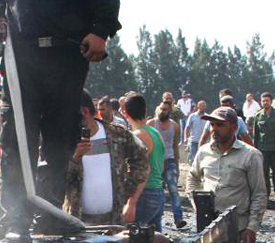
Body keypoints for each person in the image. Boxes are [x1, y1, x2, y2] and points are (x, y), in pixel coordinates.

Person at [0, 0, 121, 234]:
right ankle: (17, 218)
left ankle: (49, 215)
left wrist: (101, 29)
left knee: (59, 138)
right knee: (14, 137)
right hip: (20, 58)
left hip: (64, 55)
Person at [188, 106, 265, 243]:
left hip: (238, 229)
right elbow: (192, 178)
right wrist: (197, 204)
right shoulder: (203, 152)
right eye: (212, 125)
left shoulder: (250, 155)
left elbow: (259, 194)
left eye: (220, 125)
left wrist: (252, 228)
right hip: (209, 230)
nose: (214, 129)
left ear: (234, 127)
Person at [63, 89, 149, 224]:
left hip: (113, 223)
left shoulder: (117, 135)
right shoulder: (65, 141)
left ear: (85, 112)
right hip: (77, 223)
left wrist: (128, 193)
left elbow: (141, 157)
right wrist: (75, 159)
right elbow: (55, 180)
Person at [120, 92, 165, 229]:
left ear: (125, 113)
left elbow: (142, 169)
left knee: (129, 239)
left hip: (143, 194)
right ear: (145, 111)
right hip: (158, 192)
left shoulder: (137, 136)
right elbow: (161, 167)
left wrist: (131, 202)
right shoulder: (155, 132)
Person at [150, 95, 185, 228]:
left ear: (169, 111)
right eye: (161, 109)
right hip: (155, 161)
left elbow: (175, 145)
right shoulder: (152, 124)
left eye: (165, 110)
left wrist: (177, 164)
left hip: (169, 159)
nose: (162, 111)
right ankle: (156, 219)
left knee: (173, 189)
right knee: (156, 190)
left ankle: (178, 218)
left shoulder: (174, 126)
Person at [249, 92, 275, 202]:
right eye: (263, 101)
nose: (265, 102)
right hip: (263, 149)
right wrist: (255, 150)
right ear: (261, 102)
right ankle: (266, 194)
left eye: (267, 100)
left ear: (271, 101)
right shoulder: (258, 115)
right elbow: (255, 135)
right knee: (264, 173)